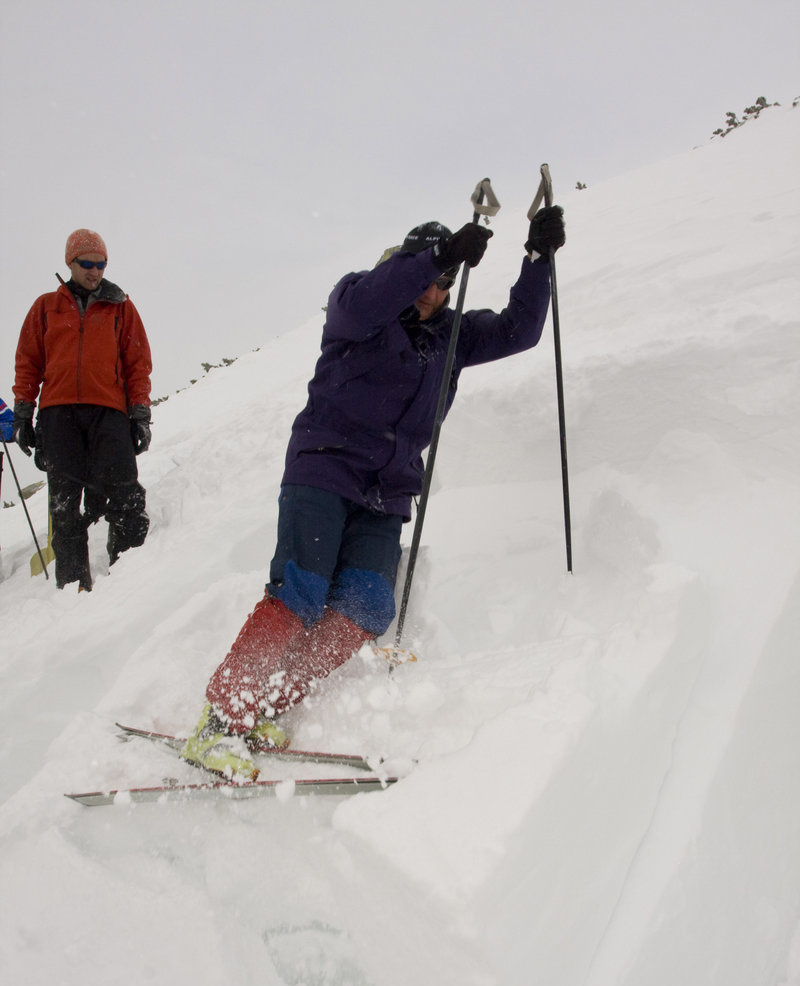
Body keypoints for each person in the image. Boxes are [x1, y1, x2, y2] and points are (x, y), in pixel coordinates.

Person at [183, 205, 566, 779]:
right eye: (428, 276)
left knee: (367, 605)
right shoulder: (357, 306)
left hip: (387, 491)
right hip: (324, 468)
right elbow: (369, 300)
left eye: (444, 283)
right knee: (301, 590)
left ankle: (266, 706)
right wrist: (437, 257)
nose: (434, 292)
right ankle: (219, 723)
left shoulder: (451, 337)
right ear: (403, 262)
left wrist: (538, 259)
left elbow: (521, 330)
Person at [12, 229, 153, 591]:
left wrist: (139, 414)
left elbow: (137, 362)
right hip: (58, 415)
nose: (95, 271)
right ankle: (74, 591)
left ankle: (131, 580)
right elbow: (29, 361)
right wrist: (24, 412)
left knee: (126, 495)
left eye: (101, 264)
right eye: (87, 263)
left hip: (109, 413)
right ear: (70, 263)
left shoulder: (121, 306)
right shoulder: (46, 307)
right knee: (64, 506)